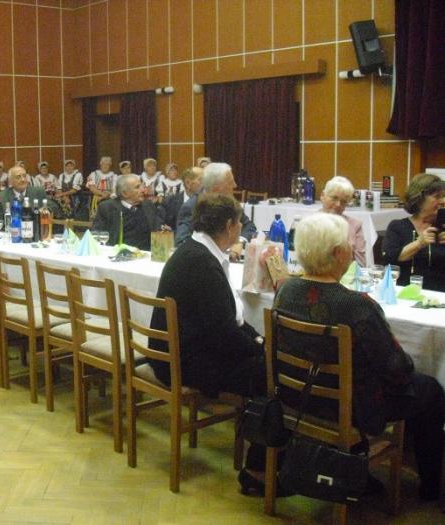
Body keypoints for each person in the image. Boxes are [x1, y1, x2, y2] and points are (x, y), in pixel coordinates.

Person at [275, 212, 445, 500]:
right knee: (431, 390)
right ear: (338, 253)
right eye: (348, 245)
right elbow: (397, 368)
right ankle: (430, 488)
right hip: (352, 406)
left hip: (298, 396)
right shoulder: (356, 305)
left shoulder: (286, 290)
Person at [149, 193, 267, 492]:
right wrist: (261, 349)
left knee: (265, 363)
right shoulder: (201, 262)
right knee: (271, 374)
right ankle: (258, 470)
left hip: (184, 351)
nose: (240, 227)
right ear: (229, 226)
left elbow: (229, 322)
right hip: (182, 363)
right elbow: (223, 333)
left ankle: (265, 461)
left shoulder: (197, 251)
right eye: (239, 222)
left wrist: (257, 340)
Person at [175, 162, 257, 255]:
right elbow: (182, 241)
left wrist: (239, 242)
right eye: (230, 182)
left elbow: (249, 226)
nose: (235, 185)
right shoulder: (191, 206)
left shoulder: (231, 203)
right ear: (217, 189)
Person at [382, 173, 445, 291]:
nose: (443, 201)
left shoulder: (443, 227)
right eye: (437, 196)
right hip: (404, 293)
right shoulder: (397, 227)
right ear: (420, 198)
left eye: (444, 196)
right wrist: (419, 243)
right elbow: (389, 261)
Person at [92, 174, 163, 250]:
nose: (143, 190)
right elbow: (97, 236)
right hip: (117, 254)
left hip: (146, 254)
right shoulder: (107, 208)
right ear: (124, 193)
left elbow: (158, 230)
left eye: (142, 186)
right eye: (137, 187)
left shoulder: (148, 205)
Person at [319, 176, 367, 266]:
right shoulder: (308, 224)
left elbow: (361, 265)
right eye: (334, 198)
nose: (338, 204)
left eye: (344, 201)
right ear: (322, 196)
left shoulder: (355, 226)